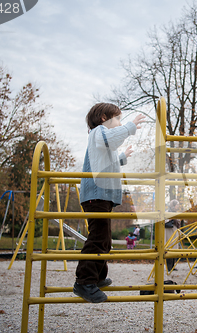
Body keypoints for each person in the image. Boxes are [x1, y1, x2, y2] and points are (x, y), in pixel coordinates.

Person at [73, 102, 145, 303]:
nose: (120, 123)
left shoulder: (104, 140)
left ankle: (97, 277)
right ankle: (84, 281)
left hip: (102, 195)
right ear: (104, 118)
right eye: (118, 118)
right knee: (98, 237)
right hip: (96, 194)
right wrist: (130, 126)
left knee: (104, 238)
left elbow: (108, 162)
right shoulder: (99, 132)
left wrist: (122, 157)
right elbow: (112, 141)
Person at [165, 199, 182, 272]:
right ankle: (169, 266)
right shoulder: (167, 212)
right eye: (176, 205)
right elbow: (164, 221)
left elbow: (178, 223)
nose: (177, 207)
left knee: (174, 248)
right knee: (169, 248)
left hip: (174, 232)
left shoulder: (176, 213)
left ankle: (172, 266)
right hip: (169, 232)